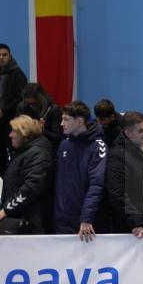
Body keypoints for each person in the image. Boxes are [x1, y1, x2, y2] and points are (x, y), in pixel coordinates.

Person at [54, 101, 107, 241]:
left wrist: (86, 218)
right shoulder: (64, 145)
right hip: (62, 220)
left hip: (85, 223)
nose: (61, 123)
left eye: (66, 119)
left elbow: (96, 184)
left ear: (79, 121)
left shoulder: (98, 146)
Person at [0, 115, 53, 234]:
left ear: (24, 133)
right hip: (22, 217)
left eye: (14, 131)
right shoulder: (25, 152)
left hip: (31, 221)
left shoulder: (38, 154)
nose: (10, 135)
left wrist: (7, 209)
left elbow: (31, 187)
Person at [0, 43, 28, 176]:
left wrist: (3, 111)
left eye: (4, 55)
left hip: (11, 122)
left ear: (10, 55)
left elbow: (21, 99)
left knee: (14, 156)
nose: (1, 57)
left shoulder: (18, 74)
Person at [16, 83, 63, 150]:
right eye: (28, 103)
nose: (31, 106)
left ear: (42, 99)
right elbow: (16, 129)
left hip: (46, 149)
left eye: (34, 103)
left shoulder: (53, 110)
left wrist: (42, 131)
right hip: (26, 147)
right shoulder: (23, 107)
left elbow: (57, 137)